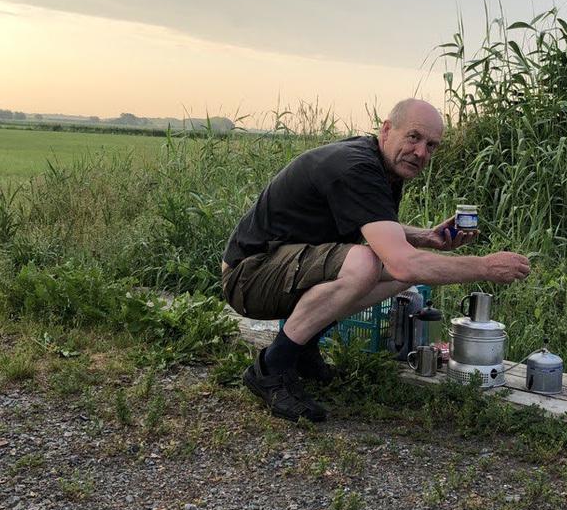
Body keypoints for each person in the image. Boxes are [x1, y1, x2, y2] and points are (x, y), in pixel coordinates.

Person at [221, 98, 530, 422]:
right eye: (414, 137)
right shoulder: (357, 167)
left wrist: (425, 236)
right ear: (386, 129)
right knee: (369, 264)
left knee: (398, 275)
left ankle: (303, 348)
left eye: (431, 145)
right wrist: (486, 266)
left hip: (282, 267)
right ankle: (272, 367)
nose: (422, 152)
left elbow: (376, 227)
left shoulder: (380, 166)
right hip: (249, 275)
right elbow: (403, 261)